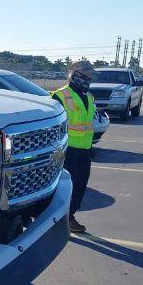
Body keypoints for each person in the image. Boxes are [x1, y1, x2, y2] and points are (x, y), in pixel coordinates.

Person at [51, 60, 96, 234]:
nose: (89, 79)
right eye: (86, 75)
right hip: (67, 150)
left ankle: (70, 216)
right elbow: (54, 127)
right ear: (75, 75)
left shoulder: (89, 96)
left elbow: (88, 124)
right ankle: (64, 219)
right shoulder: (60, 96)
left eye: (90, 76)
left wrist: (90, 147)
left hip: (84, 149)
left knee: (80, 186)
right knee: (67, 187)